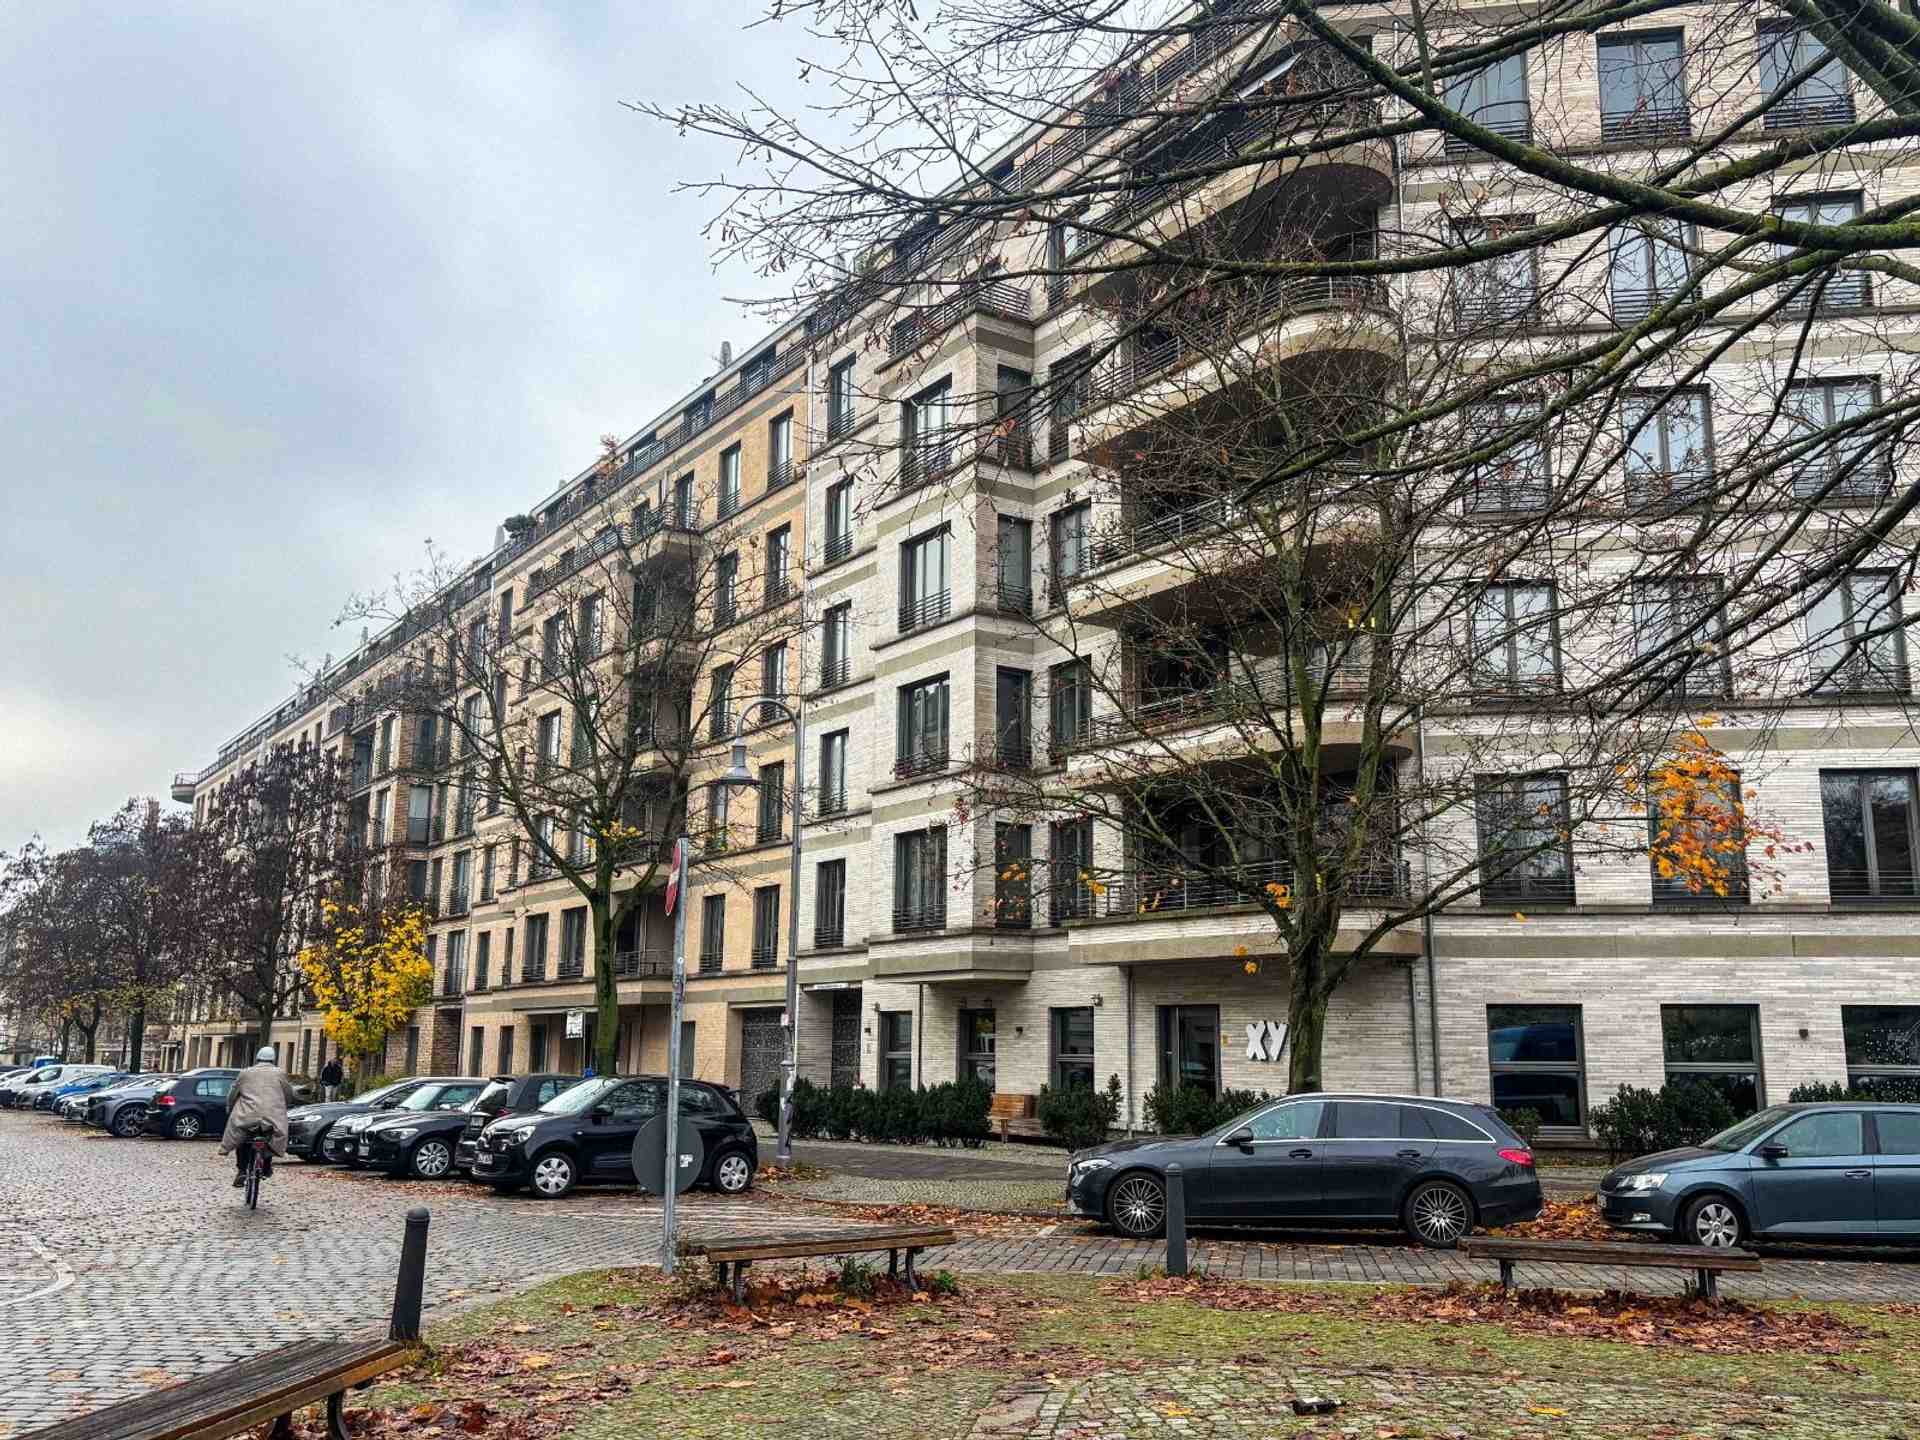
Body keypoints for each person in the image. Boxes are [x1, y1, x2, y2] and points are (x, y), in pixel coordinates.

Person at [220, 1046, 299, 1188]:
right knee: (272, 1137)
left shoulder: (246, 1073)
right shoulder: (280, 1073)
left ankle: (242, 1171)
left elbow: (233, 1093)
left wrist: (229, 1106)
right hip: (272, 1116)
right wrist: (284, 1105)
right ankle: (267, 1166)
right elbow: (289, 1094)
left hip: (248, 1115)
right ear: (273, 1059)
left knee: (241, 1138)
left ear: (257, 1058)